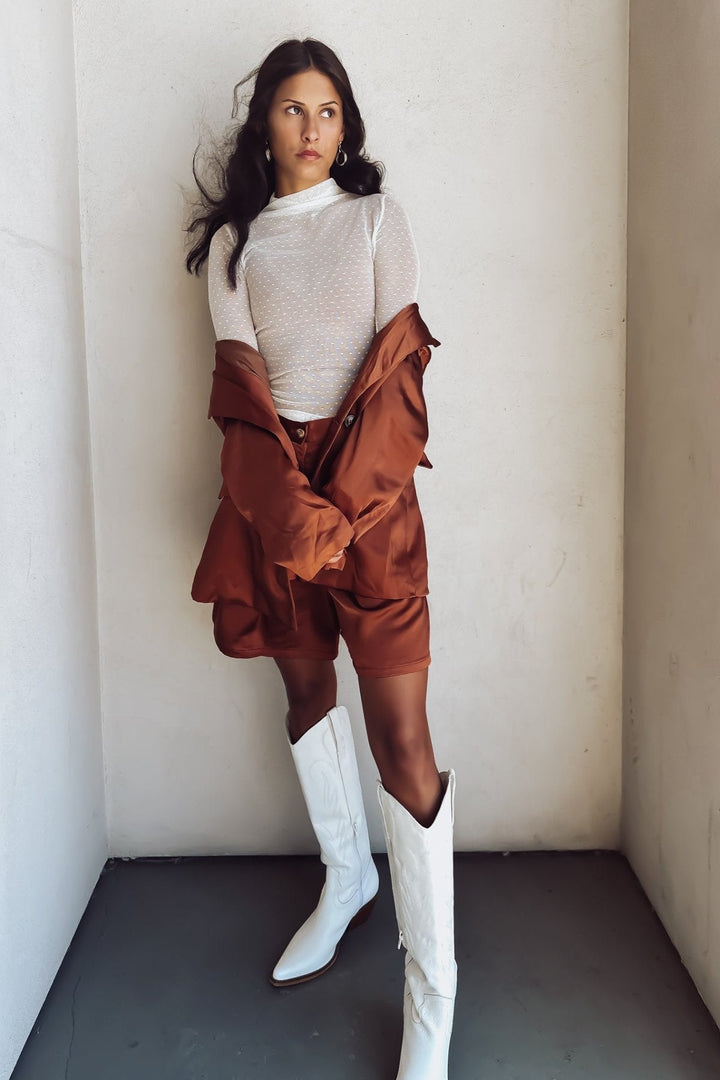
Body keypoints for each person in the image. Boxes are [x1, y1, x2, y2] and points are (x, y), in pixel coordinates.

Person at [186, 37, 457, 1079]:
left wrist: (341, 515)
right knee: (305, 695)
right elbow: (240, 404)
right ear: (266, 123)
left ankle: (432, 1000)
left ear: (347, 125)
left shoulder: (380, 220)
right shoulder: (233, 248)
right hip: (273, 500)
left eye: (329, 111)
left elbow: (399, 382)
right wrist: (294, 520)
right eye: (293, 110)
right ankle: (346, 880)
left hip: (373, 499)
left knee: (404, 741)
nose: (311, 129)